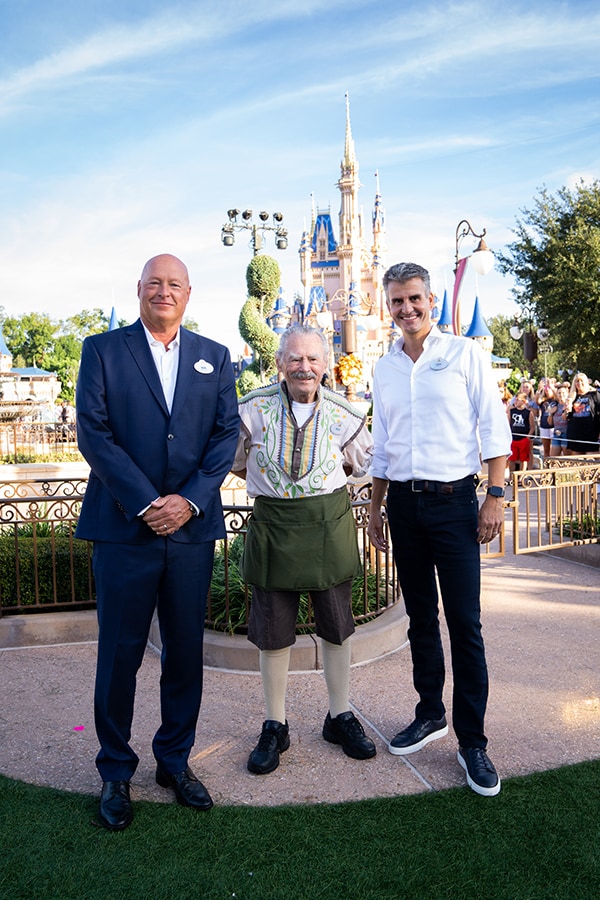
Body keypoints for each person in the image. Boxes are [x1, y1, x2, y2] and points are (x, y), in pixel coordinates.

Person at [76, 253, 240, 830]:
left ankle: (174, 760)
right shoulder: (102, 350)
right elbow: (93, 434)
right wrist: (147, 502)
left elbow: (224, 439)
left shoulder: (214, 358)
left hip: (190, 531)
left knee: (184, 655)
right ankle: (116, 771)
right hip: (124, 530)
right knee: (118, 656)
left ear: (188, 294)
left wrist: (188, 500)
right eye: (154, 283)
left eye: (174, 284)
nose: (163, 292)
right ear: (139, 289)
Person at [367, 262, 511, 797]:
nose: (407, 309)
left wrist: (494, 497)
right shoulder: (383, 369)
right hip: (403, 506)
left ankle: (472, 740)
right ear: (389, 306)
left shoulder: (463, 355)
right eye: (397, 301)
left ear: (431, 300)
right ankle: (430, 712)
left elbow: (494, 430)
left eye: (415, 299)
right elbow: (383, 445)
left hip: (454, 504)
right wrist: (378, 507)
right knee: (420, 620)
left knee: (465, 625)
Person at [232, 323, 376, 775]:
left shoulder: (346, 414)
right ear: (279, 363)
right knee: (273, 633)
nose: (304, 367)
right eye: (294, 358)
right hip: (274, 527)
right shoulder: (251, 411)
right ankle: (275, 724)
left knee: (337, 627)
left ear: (327, 365)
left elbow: (363, 466)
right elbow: (235, 460)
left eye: (313, 359)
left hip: (327, 528)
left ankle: (340, 715)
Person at [565, 373, 600, 455]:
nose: (579, 383)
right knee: (578, 462)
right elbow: (566, 417)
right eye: (577, 381)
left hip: (591, 434)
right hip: (576, 434)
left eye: (581, 381)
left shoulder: (594, 395)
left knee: (591, 461)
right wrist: (567, 411)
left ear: (586, 382)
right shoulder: (572, 397)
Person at [507, 392, 536, 475]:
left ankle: (522, 476)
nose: (515, 402)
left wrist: (527, 437)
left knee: (523, 459)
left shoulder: (528, 413)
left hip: (523, 439)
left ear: (523, 401)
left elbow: (532, 427)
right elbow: (509, 424)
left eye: (517, 400)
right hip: (513, 438)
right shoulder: (511, 411)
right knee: (512, 459)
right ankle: (511, 477)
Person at [548, 384, 570, 457]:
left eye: (563, 393)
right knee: (553, 457)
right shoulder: (554, 405)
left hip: (566, 434)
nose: (561, 395)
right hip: (556, 433)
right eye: (559, 393)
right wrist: (550, 413)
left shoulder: (569, 405)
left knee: (568, 458)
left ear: (567, 394)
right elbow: (550, 423)